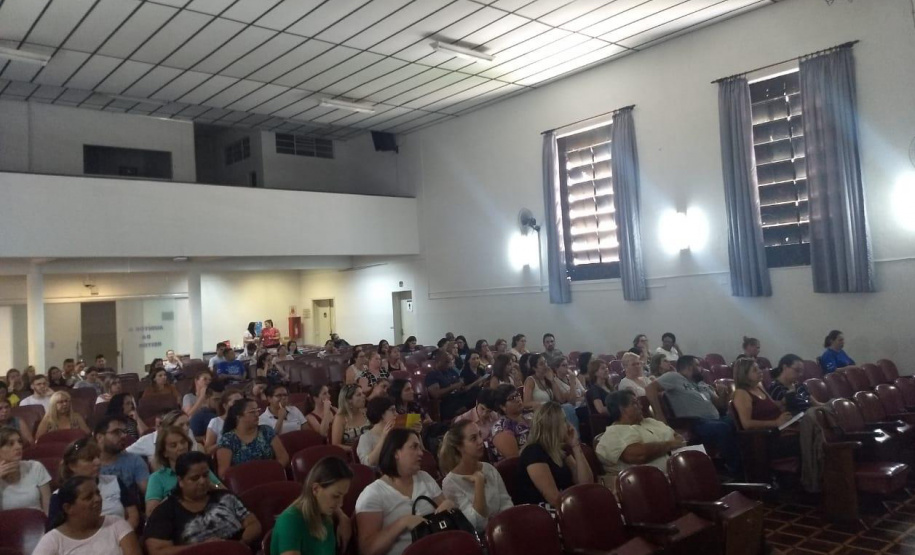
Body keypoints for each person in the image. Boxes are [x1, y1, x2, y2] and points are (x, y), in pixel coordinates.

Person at [355, 429, 456, 555]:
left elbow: (443, 507)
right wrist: (402, 523)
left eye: (420, 447)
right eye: (414, 447)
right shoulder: (373, 494)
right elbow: (367, 550)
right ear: (396, 452)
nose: (421, 453)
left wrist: (448, 506)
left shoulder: (424, 477)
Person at [144, 452, 261, 553]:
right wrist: (203, 548)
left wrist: (236, 545)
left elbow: (253, 524)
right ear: (180, 481)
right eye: (195, 478)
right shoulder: (165, 512)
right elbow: (158, 551)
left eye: (205, 475)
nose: (202, 481)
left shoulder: (225, 496)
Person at [646, 356, 741, 475]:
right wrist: (659, 415)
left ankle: (750, 463)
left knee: (738, 421)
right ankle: (735, 471)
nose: (701, 369)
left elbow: (719, 405)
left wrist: (723, 395)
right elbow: (650, 388)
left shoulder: (701, 383)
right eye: (698, 365)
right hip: (695, 423)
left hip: (716, 419)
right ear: (690, 367)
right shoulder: (674, 377)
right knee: (723, 428)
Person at [34, 476, 142, 555]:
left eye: (97, 493)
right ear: (68, 508)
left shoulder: (117, 524)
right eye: (88, 497)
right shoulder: (53, 540)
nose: (98, 499)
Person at [50, 437, 140, 529]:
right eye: (90, 459)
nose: (98, 462)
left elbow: (133, 516)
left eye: (98, 457)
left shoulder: (115, 481)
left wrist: (121, 536)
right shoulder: (59, 496)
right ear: (72, 466)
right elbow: (57, 530)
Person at [440, 420, 513, 532]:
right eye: (473, 438)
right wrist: (479, 483)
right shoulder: (450, 483)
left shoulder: (489, 468)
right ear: (459, 447)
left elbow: (506, 502)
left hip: (504, 529)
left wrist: (505, 524)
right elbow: (477, 524)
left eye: (480, 435)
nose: (480, 441)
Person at [271, 456, 353, 555]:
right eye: (335, 496)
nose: (341, 503)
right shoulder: (290, 521)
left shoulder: (325, 511)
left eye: (343, 496)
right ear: (316, 489)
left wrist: (343, 517)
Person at [516, 402, 593, 507]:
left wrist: (575, 446)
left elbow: (586, 484)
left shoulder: (559, 449)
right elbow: (554, 499)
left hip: (567, 505)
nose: (568, 425)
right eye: (564, 421)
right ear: (553, 426)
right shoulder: (533, 453)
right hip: (542, 513)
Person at [596, 390, 684, 480]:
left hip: (677, 473)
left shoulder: (650, 422)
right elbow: (639, 455)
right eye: (635, 403)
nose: (641, 406)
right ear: (622, 409)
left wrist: (668, 445)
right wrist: (670, 445)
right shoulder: (614, 433)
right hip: (643, 483)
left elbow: (678, 437)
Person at [145, 426, 222, 515]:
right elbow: (151, 513)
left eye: (183, 442)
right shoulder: (157, 478)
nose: (181, 447)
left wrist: (212, 486)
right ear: (164, 453)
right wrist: (177, 494)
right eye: (174, 445)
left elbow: (224, 492)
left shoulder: (201, 469)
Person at [216, 399, 289, 478]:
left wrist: (270, 472)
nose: (257, 414)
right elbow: (224, 473)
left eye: (257, 410)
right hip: (244, 482)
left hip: (271, 476)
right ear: (239, 417)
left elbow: (283, 457)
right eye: (252, 412)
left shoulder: (266, 431)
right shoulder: (228, 440)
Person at [732, 358, 793, 430]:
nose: (760, 371)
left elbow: (773, 405)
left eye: (759, 368)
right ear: (744, 375)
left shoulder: (759, 386)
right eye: (755, 370)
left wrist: (785, 402)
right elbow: (746, 424)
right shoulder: (741, 393)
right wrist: (776, 423)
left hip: (780, 427)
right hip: (766, 434)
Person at [94, 416, 149, 496]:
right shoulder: (87, 464)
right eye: (116, 432)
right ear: (99, 437)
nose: (123, 436)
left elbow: (149, 494)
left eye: (124, 432)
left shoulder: (134, 460)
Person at [0, 426, 51, 512]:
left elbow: (49, 509)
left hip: (37, 523)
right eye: (10, 444)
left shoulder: (35, 467)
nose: (18, 447)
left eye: (19, 442)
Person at [127, 409, 200, 464]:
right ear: (169, 426)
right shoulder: (146, 440)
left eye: (188, 424)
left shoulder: (189, 433)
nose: (186, 428)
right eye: (181, 425)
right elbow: (125, 453)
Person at [425, 350, 473, 420]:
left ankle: (465, 411)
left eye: (450, 361)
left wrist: (461, 385)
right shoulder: (433, 375)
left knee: (476, 391)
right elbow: (436, 394)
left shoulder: (450, 371)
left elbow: (460, 382)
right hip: (446, 401)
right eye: (446, 362)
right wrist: (453, 387)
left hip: (458, 396)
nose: (449, 364)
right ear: (438, 361)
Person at [489, 384, 530, 462]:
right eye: (512, 398)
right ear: (502, 407)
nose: (518, 399)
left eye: (517, 395)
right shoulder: (501, 428)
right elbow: (515, 460)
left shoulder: (529, 415)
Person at [357, 396, 397, 467]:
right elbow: (368, 463)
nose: (396, 414)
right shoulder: (366, 438)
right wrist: (383, 437)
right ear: (381, 414)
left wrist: (417, 434)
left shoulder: (396, 432)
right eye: (392, 410)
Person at [331, 384, 371, 454]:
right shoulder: (340, 418)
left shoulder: (366, 412)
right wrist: (357, 449)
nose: (364, 396)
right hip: (352, 455)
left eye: (362, 393)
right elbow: (336, 445)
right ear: (349, 400)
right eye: (359, 395)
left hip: (371, 450)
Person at [204, 390, 244, 455]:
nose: (240, 405)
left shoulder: (246, 420)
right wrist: (224, 442)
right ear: (225, 405)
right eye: (235, 402)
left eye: (242, 402)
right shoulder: (215, 422)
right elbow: (208, 450)